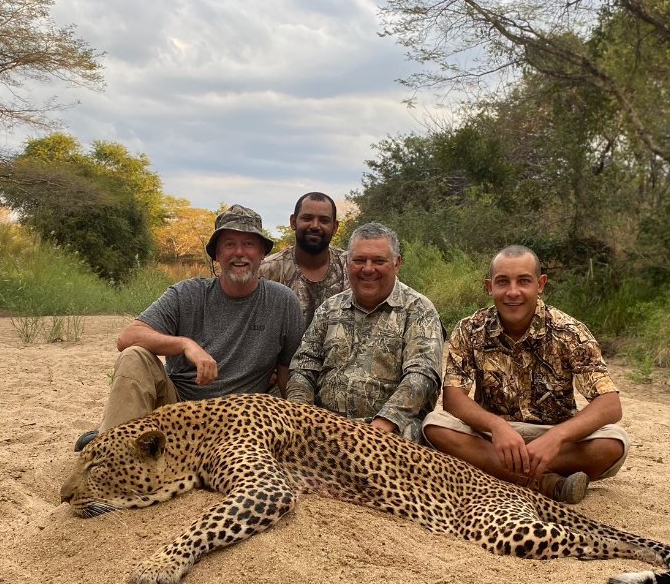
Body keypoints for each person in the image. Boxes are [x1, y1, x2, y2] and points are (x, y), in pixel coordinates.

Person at [73, 204, 304, 450]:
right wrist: (185, 344)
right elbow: (128, 337)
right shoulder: (186, 293)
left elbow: (287, 372)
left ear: (262, 254)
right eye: (229, 244)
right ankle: (113, 450)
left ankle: (111, 436)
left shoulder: (283, 301)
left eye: (248, 244)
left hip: (241, 424)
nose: (239, 253)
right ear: (216, 254)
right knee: (134, 356)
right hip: (175, 413)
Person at [422, 244, 630, 503]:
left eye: (523, 281)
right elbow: (453, 397)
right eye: (502, 282)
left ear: (540, 284)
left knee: (613, 442)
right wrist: (496, 426)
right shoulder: (469, 329)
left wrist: (557, 437)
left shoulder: (570, 331)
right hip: (491, 436)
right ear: (489, 287)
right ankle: (547, 484)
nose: (513, 292)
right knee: (434, 425)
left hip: (553, 439)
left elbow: (610, 405)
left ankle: (498, 473)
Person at [286, 221, 444, 443]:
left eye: (379, 261)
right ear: (348, 262)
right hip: (325, 429)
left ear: (397, 263)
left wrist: (382, 425)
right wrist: (302, 417)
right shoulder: (330, 308)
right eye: (359, 260)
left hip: (389, 432)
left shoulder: (418, 309)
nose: (368, 269)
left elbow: (422, 375)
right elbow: (303, 368)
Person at [259, 191, 349, 329]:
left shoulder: (352, 268)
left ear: (335, 227)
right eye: (307, 218)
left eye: (324, 220)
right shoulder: (267, 271)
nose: (314, 226)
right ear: (293, 222)